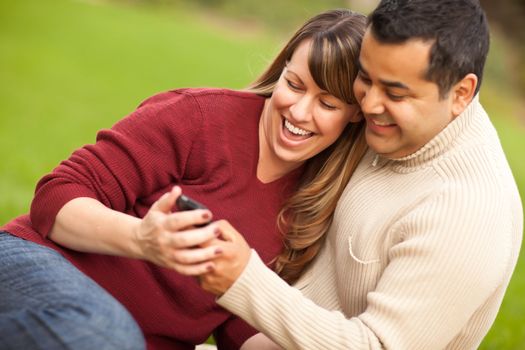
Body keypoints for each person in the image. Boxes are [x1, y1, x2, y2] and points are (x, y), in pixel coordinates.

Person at [0, 9, 369, 350]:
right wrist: (142, 240)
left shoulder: (314, 208)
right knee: (107, 332)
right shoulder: (201, 117)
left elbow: (238, 332)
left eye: (328, 104)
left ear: (354, 114)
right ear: (281, 70)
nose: (300, 111)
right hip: (38, 264)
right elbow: (56, 197)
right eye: (295, 84)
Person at [179, 1, 524, 349]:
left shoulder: (468, 214)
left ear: (461, 93)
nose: (369, 104)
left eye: (394, 93)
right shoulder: (407, 125)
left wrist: (244, 280)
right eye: (365, 77)